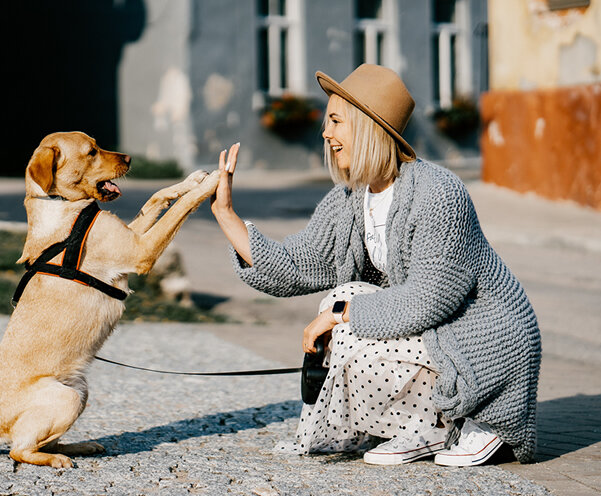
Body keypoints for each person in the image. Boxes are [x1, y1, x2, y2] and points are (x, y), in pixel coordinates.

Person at [209, 64, 541, 466]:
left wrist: (339, 316)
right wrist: (227, 215)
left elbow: (427, 300)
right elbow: (297, 264)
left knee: (345, 314)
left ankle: (469, 420)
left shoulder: (439, 193)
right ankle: (420, 428)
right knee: (342, 298)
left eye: (335, 121)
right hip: (435, 335)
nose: (325, 133)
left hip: (483, 342)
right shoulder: (351, 198)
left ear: (367, 126)